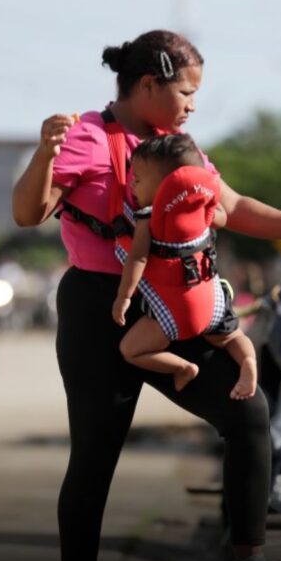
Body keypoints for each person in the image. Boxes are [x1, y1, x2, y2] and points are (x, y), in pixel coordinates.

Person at [11, 30, 281, 561]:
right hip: (99, 306)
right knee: (95, 457)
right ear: (148, 85)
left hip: (173, 301)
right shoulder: (86, 137)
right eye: (186, 91)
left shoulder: (177, 144)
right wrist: (45, 152)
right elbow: (28, 212)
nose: (193, 104)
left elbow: (231, 205)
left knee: (248, 413)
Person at [111, 133, 257, 400]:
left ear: (167, 186)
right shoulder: (202, 209)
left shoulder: (149, 217)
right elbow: (221, 218)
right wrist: (208, 207)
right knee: (232, 337)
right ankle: (247, 361)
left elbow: (139, 258)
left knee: (130, 350)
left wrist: (124, 297)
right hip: (213, 304)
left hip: (175, 314)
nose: (132, 184)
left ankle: (182, 367)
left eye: (139, 179)